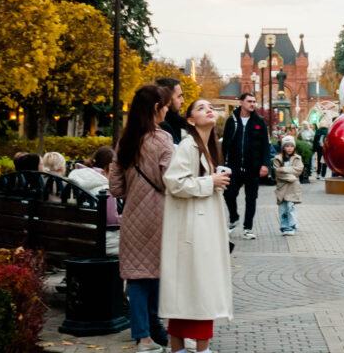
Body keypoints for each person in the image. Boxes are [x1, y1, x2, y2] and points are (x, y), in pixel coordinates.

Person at [160, 99, 233, 353]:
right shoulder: (189, 146)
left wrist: (212, 181)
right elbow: (175, 182)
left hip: (201, 227)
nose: (209, 109)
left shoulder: (207, 146)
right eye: (201, 108)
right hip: (194, 230)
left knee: (192, 291)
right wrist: (210, 182)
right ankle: (200, 349)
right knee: (200, 290)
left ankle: (180, 349)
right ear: (190, 120)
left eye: (210, 106)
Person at [108, 84, 174, 353]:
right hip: (160, 215)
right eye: (166, 105)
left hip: (133, 216)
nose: (168, 109)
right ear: (157, 108)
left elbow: (115, 187)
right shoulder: (163, 140)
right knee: (156, 273)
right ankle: (153, 325)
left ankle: (143, 337)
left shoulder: (126, 140)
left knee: (136, 276)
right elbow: (172, 181)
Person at [222, 92, 271, 240]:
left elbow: (265, 145)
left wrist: (265, 164)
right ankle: (234, 217)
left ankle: (248, 228)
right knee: (229, 193)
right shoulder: (232, 121)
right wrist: (221, 163)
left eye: (254, 101)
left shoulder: (259, 122)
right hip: (234, 166)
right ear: (241, 102)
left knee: (251, 198)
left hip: (253, 167)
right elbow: (225, 144)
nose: (252, 104)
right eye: (249, 101)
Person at [70, 146, 121, 256]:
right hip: (102, 241)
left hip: (78, 236)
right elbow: (112, 221)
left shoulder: (78, 179)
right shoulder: (104, 187)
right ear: (111, 166)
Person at [274, 136, 303, 236]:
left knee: (291, 207)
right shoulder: (278, 159)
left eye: (291, 146)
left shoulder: (297, 158)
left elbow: (298, 170)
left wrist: (285, 170)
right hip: (282, 187)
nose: (289, 148)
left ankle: (292, 225)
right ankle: (284, 226)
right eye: (287, 146)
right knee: (283, 208)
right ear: (283, 147)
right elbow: (278, 172)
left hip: (293, 187)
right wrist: (291, 177)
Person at [156, 77, 187, 145]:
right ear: (167, 99)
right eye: (179, 96)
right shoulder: (162, 128)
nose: (183, 101)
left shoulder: (178, 124)